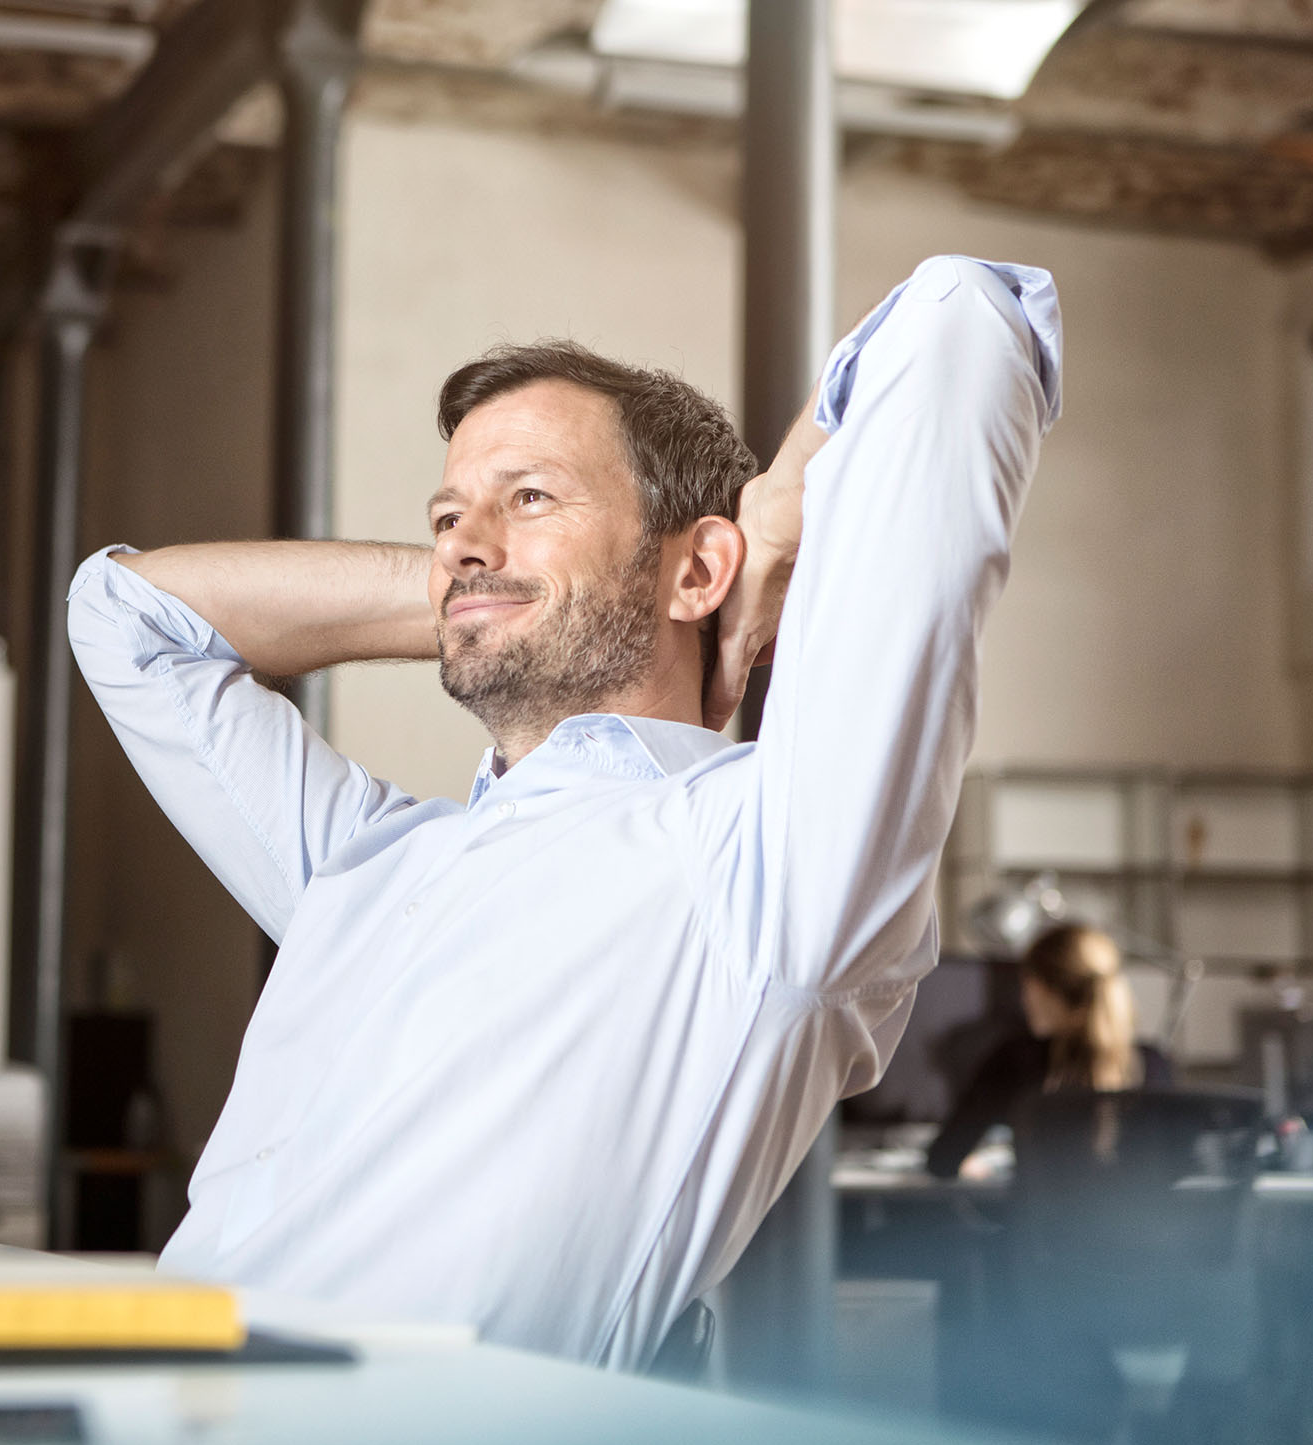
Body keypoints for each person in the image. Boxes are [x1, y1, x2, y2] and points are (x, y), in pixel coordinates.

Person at [65, 256, 1062, 1370]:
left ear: (699, 572)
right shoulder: (367, 861)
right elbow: (124, 616)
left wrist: (766, 519)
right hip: (140, 1404)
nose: (460, 539)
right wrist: (482, 593)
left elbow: (971, 320)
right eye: (448, 514)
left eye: (529, 497)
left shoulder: (762, 863)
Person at [925, 924, 1174, 1180]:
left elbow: (942, 1160)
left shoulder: (1016, 1060)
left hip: (1043, 1221)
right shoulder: (1153, 1063)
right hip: (1138, 1221)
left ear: (1042, 987)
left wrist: (973, 1166)